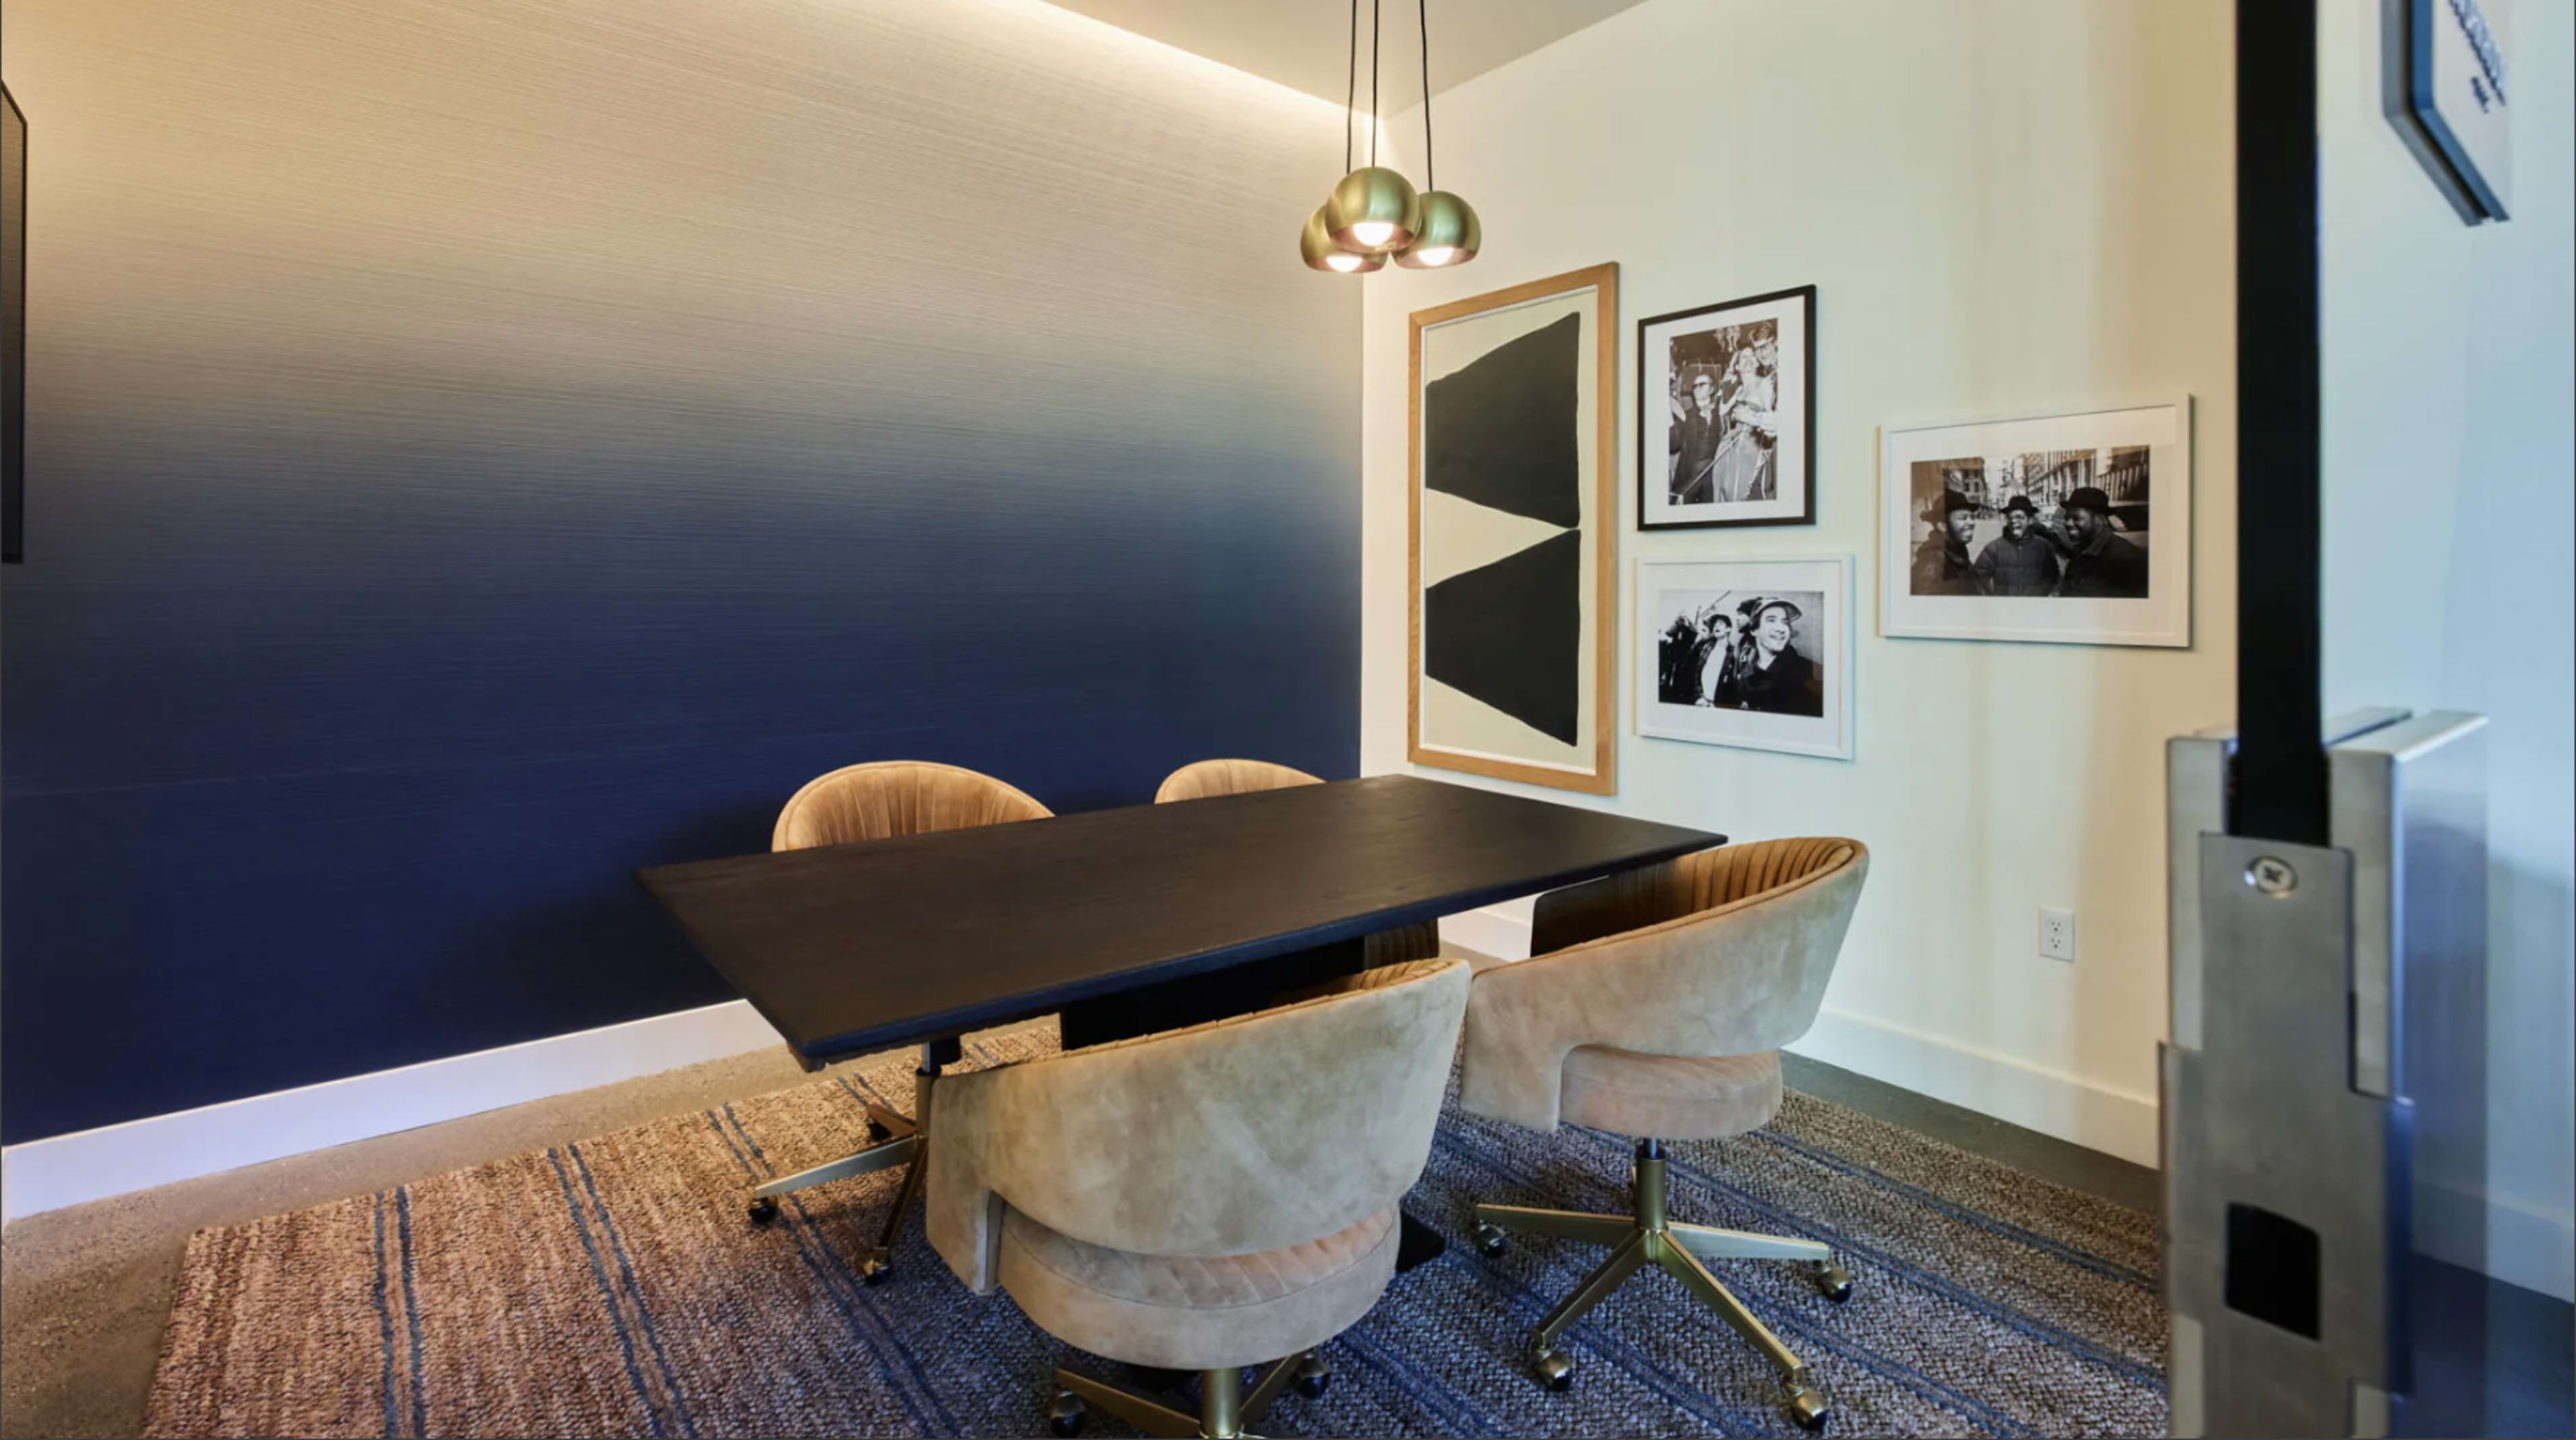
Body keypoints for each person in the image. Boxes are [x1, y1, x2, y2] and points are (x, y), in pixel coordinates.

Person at [1707, 337, 1779, 504]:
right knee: (1723, 486)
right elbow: (1723, 410)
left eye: (1752, 356)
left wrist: (1749, 418)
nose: (1749, 360)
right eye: (1743, 358)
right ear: (1737, 366)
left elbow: (1772, 421)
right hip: (1734, 445)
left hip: (1752, 447)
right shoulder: (1740, 389)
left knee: (1740, 492)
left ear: (1757, 362)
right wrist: (1729, 374)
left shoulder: (1764, 384)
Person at [1726, 597, 1823, 717]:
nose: (1781, 629)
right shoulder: (1745, 677)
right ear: (1754, 630)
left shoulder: (1811, 674)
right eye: (1771, 620)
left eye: (1785, 622)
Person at [2053, 486, 2149, 598]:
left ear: (2100, 519)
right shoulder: (2082, 549)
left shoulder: (2125, 560)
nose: (2068, 524)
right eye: (2067, 518)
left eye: (2076, 518)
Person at [1973, 495, 2063, 597]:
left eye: (2019, 517)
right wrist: (1997, 593)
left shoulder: (2044, 547)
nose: (2014, 521)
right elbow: (1978, 575)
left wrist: (2041, 593)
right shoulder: (1994, 548)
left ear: (2030, 520)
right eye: (2010, 518)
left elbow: (2054, 577)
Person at [1668, 369, 1726, 504]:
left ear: (1712, 389)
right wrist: (1669, 416)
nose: (1697, 388)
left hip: (1714, 477)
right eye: (1695, 386)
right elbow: (1673, 444)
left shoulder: (1721, 414)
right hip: (1690, 477)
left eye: (1702, 384)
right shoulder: (1686, 416)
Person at [1911, 490, 1980, 596]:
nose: (1972, 523)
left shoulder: (1957, 552)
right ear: (1943, 526)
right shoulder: (1932, 563)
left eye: (1972, 517)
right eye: (1963, 518)